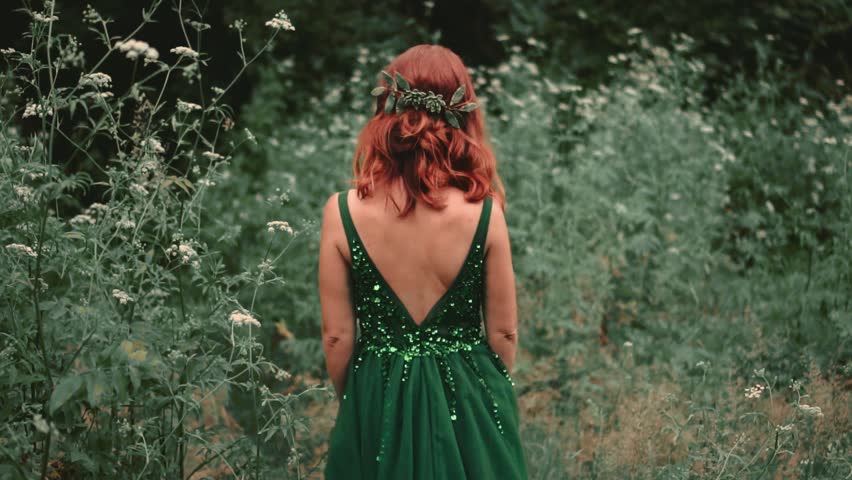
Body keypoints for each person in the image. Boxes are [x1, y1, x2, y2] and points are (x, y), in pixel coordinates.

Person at [318, 43, 528, 479]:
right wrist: (486, 397)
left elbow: (337, 337)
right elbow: (504, 331)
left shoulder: (341, 211)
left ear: (388, 110)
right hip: (470, 394)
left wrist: (358, 400)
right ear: (463, 114)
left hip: (378, 390)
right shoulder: (484, 213)